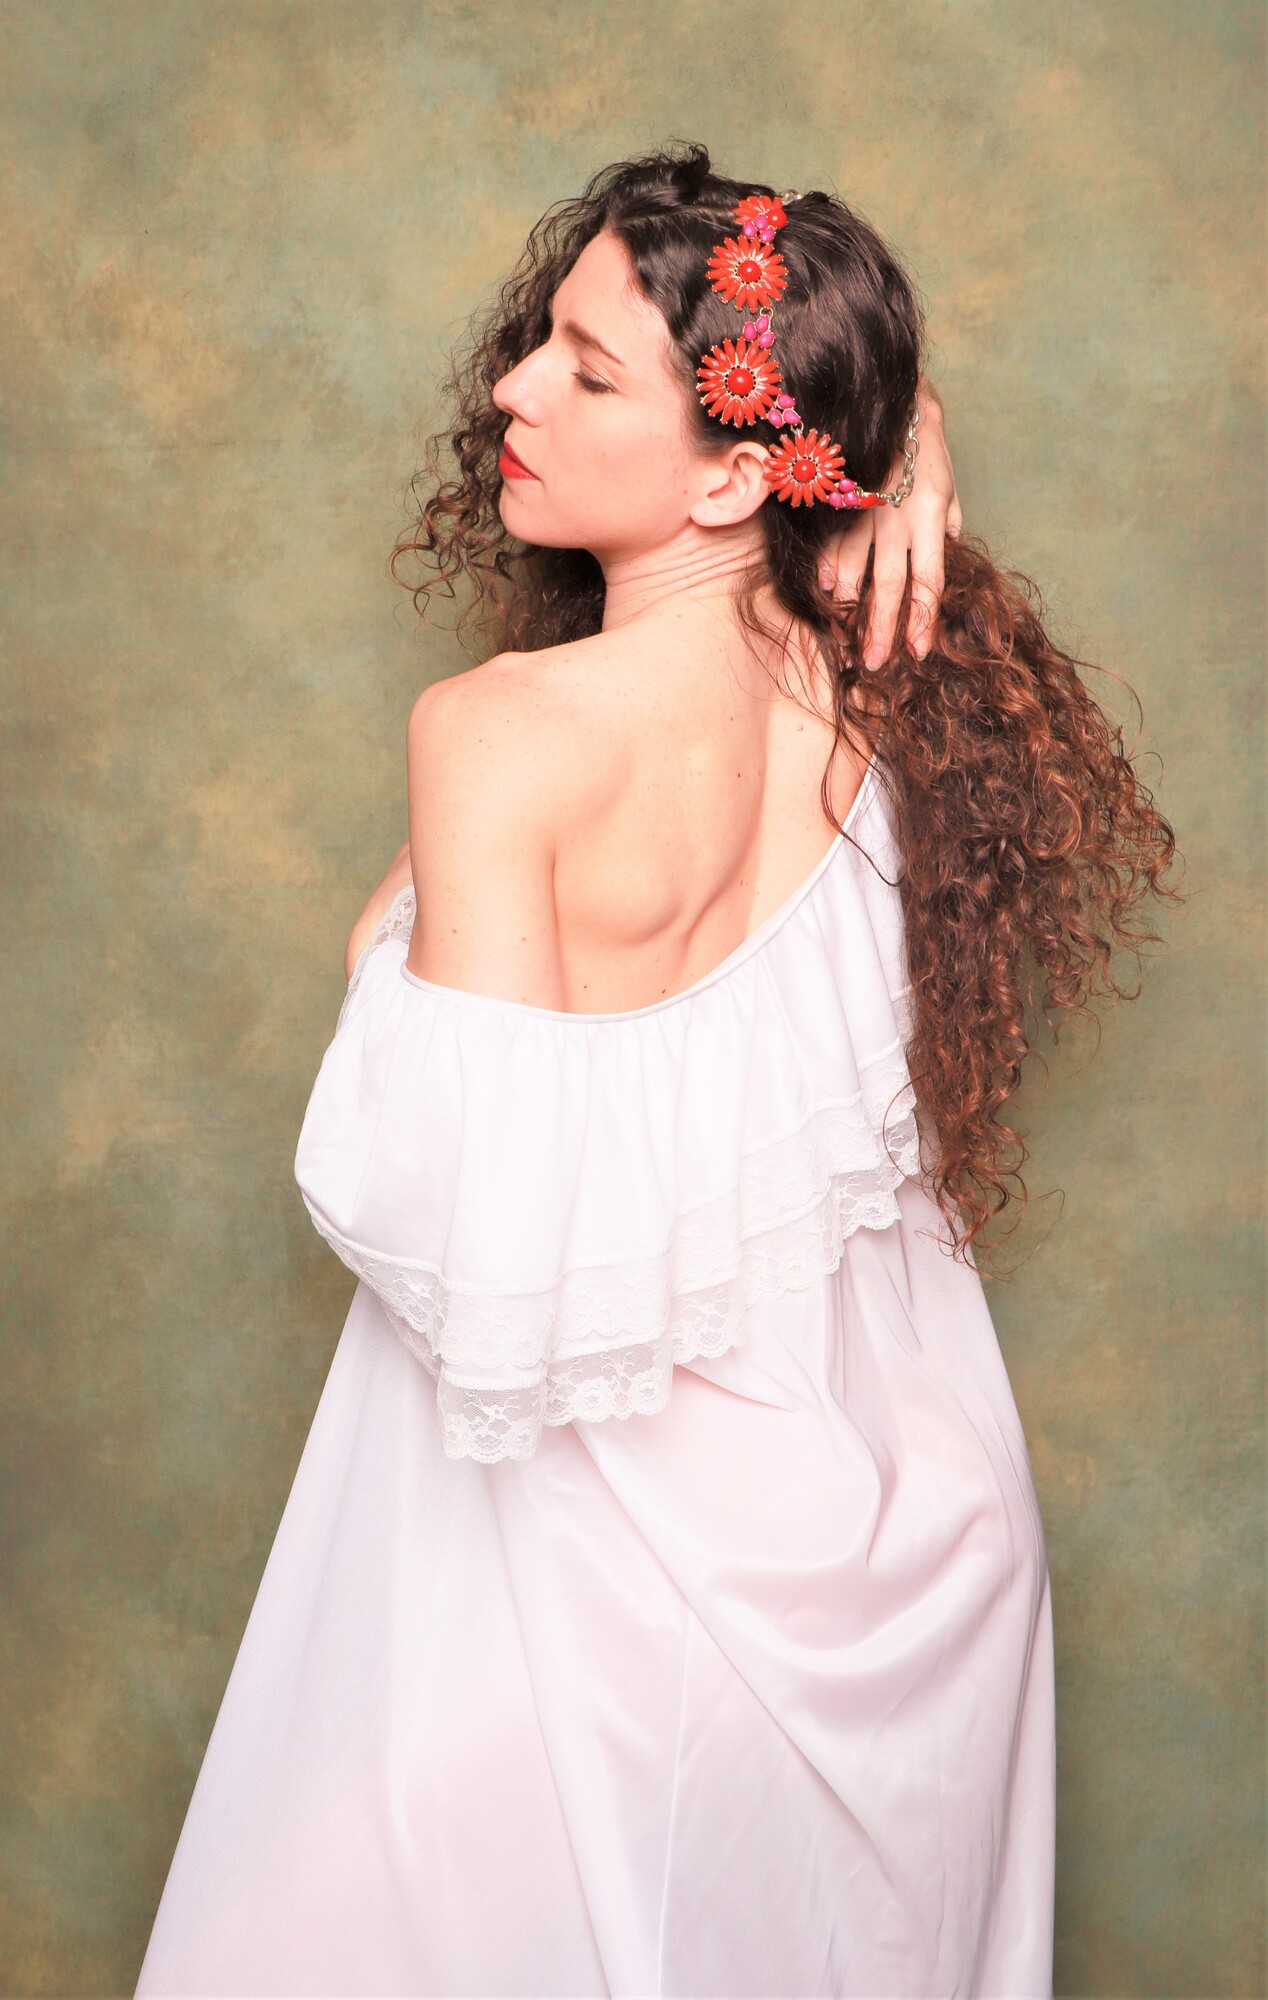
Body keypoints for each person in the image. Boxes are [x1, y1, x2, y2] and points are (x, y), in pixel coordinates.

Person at [135, 146, 1176, 1998]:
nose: (513, 390)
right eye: (541, 339)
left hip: (588, 1606)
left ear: (733, 473)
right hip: (908, 1577)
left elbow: (480, 1247)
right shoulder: (883, 698)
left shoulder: (498, 734)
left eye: (587, 369)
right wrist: (901, 438)